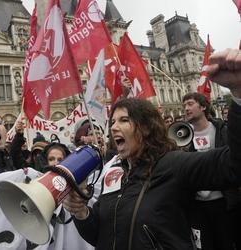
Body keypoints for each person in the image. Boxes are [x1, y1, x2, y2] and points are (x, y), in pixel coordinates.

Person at [63, 48, 241, 250]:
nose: (113, 127)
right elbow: (99, 235)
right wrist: (81, 213)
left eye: (124, 120)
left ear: (146, 128)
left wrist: (238, 94)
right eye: (113, 121)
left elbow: (234, 164)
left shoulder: (173, 164)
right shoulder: (112, 173)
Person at [183, 92, 234, 250]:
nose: (186, 108)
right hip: (197, 206)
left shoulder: (222, 131)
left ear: (203, 106)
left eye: (190, 104)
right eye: (184, 105)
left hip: (224, 203)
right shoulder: (181, 136)